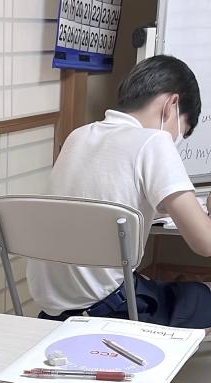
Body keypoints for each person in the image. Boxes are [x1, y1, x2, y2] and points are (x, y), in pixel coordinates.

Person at [27, 55, 211, 327]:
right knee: (201, 295)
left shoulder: (80, 135)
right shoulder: (155, 141)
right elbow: (204, 243)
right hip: (108, 311)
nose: (174, 139)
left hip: (53, 313)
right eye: (180, 131)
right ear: (171, 105)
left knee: (148, 282)